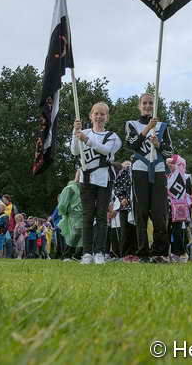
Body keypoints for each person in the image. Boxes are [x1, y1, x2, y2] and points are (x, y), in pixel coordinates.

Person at [125, 93, 174, 263]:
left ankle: (159, 252)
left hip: (158, 170)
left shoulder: (163, 126)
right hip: (140, 169)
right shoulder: (132, 124)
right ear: (139, 106)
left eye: (151, 103)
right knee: (141, 212)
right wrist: (147, 128)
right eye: (144, 103)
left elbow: (169, 152)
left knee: (160, 213)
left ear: (155, 106)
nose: (147, 106)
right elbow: (132, 144)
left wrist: (158, 144)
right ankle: (143, 252)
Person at [71, 102, 121, 265]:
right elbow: (74, 151)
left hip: (104, 179)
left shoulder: (113, 137)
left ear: (107, 117)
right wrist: (75, 132)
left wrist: (87, 140)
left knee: (101, 216)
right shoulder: (83, 132)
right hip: (86, 179)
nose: (99, 117)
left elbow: (105, 150)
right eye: (96, 113)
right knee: (87, 216)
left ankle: (99, 252)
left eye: (102, 114)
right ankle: (87, 253)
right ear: (90, 116)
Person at [167, 154, 192, 263]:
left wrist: (170, 159)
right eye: (170, 164)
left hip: (179, 206)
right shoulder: (169, 176)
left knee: (177, 230)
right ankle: (174, 252)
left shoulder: (183, 174)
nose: (170, 165)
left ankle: (182, 253)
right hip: (169, 206)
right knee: (170, 230)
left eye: (173, 164)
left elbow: (180, 160)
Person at [113, 161, 138, 262]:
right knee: (125, 230)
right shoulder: (122, 174)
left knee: (135, 230)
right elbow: (117, 186)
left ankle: (135, 253)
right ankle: (125, 254)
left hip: (136, 206)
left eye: (129, 166)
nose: (128, 167)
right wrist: (122, 198)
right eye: (126, 166)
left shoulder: (137, 173)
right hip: (125, 206)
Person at [58, 171, 84, 261]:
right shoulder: (70, 188)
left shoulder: (84, 189)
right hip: (73, 215)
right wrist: (66, 213)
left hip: (82, 215)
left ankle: (77, 255)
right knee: (74, 234)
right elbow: (62, 204)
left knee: (81, 235)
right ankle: (66, 255)